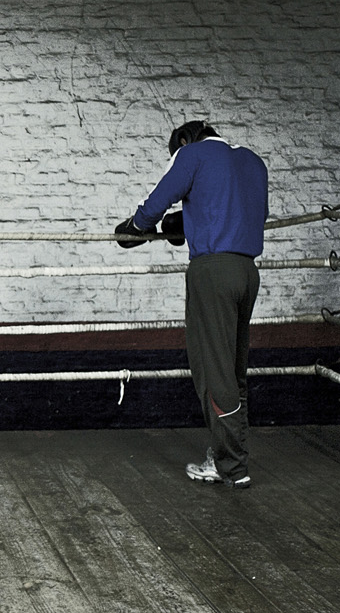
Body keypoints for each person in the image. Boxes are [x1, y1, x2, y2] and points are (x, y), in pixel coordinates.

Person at [115, 120, 269, 489]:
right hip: (247, 272)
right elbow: (242, 212)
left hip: (211, 272)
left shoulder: (192, 153)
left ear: (183, 140)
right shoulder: (253, 162)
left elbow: (155, 202)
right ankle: (231, 458)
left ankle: (230, 467)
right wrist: (184, 222)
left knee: (213, 373)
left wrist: (136, 228)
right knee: (233, 372)